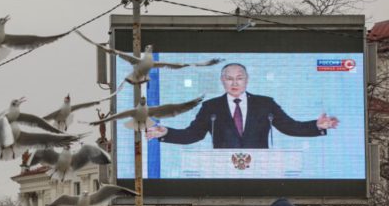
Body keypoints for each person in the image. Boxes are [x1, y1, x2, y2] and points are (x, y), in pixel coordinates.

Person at [145, 63, 339, 148]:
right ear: (222, 81)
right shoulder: (211, 107)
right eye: (229, 79)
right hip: (222, 171)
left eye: (239, 78)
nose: (234, 83)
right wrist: (166, 133)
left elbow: (290, 127)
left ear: (247, 80)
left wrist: (316, 125)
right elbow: (193, 134)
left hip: (260, 170)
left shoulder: (265, 104)